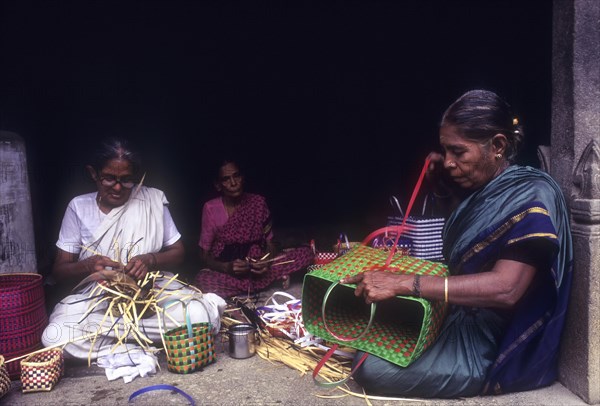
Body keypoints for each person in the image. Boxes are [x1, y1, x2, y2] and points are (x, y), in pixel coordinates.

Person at [341, 89, 573, 398]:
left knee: (371, 368)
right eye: (445, 151)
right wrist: (442, 186)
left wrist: (407, 283)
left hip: (493, 342)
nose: (449, 162)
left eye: (458, 152)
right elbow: (472, 241)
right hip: (461, 313)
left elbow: (507, 289)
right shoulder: (488, 186)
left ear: (498, 146)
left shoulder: (531, 195)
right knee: (368, 330)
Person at [42, 138, 226, 360]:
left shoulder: (152, 199)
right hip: (99, 301)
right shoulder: (78, 207)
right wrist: (89, 265)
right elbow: (59, 271)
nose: (118, 187)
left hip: (153, 293)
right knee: (54, 336)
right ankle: (147, 344)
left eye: (126, 180)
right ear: (93, 173)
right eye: (109, 178)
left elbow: (178, 252)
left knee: (198, 316)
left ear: (136, 177)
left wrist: (149, 260)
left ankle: (119, 343)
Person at [194, 158, 314, 299]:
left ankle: (262, 281)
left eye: (236, 176)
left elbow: (271, 243)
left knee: (306, 253)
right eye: (226, 179)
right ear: (218, 185)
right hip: (228, 270)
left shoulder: (258, 203)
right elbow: (204, 255)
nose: (233, 183)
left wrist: (267, 262)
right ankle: (272, 281)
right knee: (202, 280)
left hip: (259, 267)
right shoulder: (211, 208)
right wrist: (226, 267)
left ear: (242, 177)